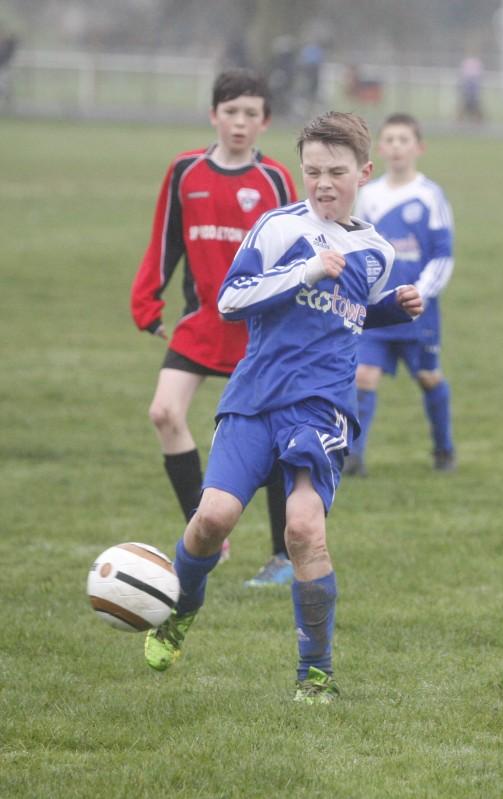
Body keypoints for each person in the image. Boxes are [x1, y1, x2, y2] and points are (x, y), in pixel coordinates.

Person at [142, 111, 424, 703]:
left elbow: (348, 312)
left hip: (321, 408)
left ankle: (315, 674)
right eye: (313, 171)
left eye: (336, 172)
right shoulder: (276, 228)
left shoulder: (375, 250)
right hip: (255, 399)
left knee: (302, 530)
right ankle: (182, 610)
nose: (323, 183)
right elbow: (231, 300)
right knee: (211, 520)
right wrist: (305, 269)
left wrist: (394, 307)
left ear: (363, 173)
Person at [130, 69, 298, 587]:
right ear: (213, 116)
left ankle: (282, 560)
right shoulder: (184, 171)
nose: (240, 123)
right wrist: (147, 299)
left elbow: (295, 254)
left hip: (259, 329)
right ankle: (207, 536)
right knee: (164, 412)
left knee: (273, 442)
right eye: (231, 112)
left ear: (264, 121)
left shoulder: (274, 180)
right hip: (203, 322)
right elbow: (165, 240)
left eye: (251, 114)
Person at [346, 113, 455, 475]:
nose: (396, 147)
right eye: (389, 140)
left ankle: (444, 450)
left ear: (418, 148)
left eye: (403, 140)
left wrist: (419, 294)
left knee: (428, 378)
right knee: (363, 375)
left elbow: (442, 254)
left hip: (418, 312)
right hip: (377, 309)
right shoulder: (368, 196)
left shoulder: (430, 196)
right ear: (380, 148)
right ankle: (353, 456)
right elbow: (357, 248)